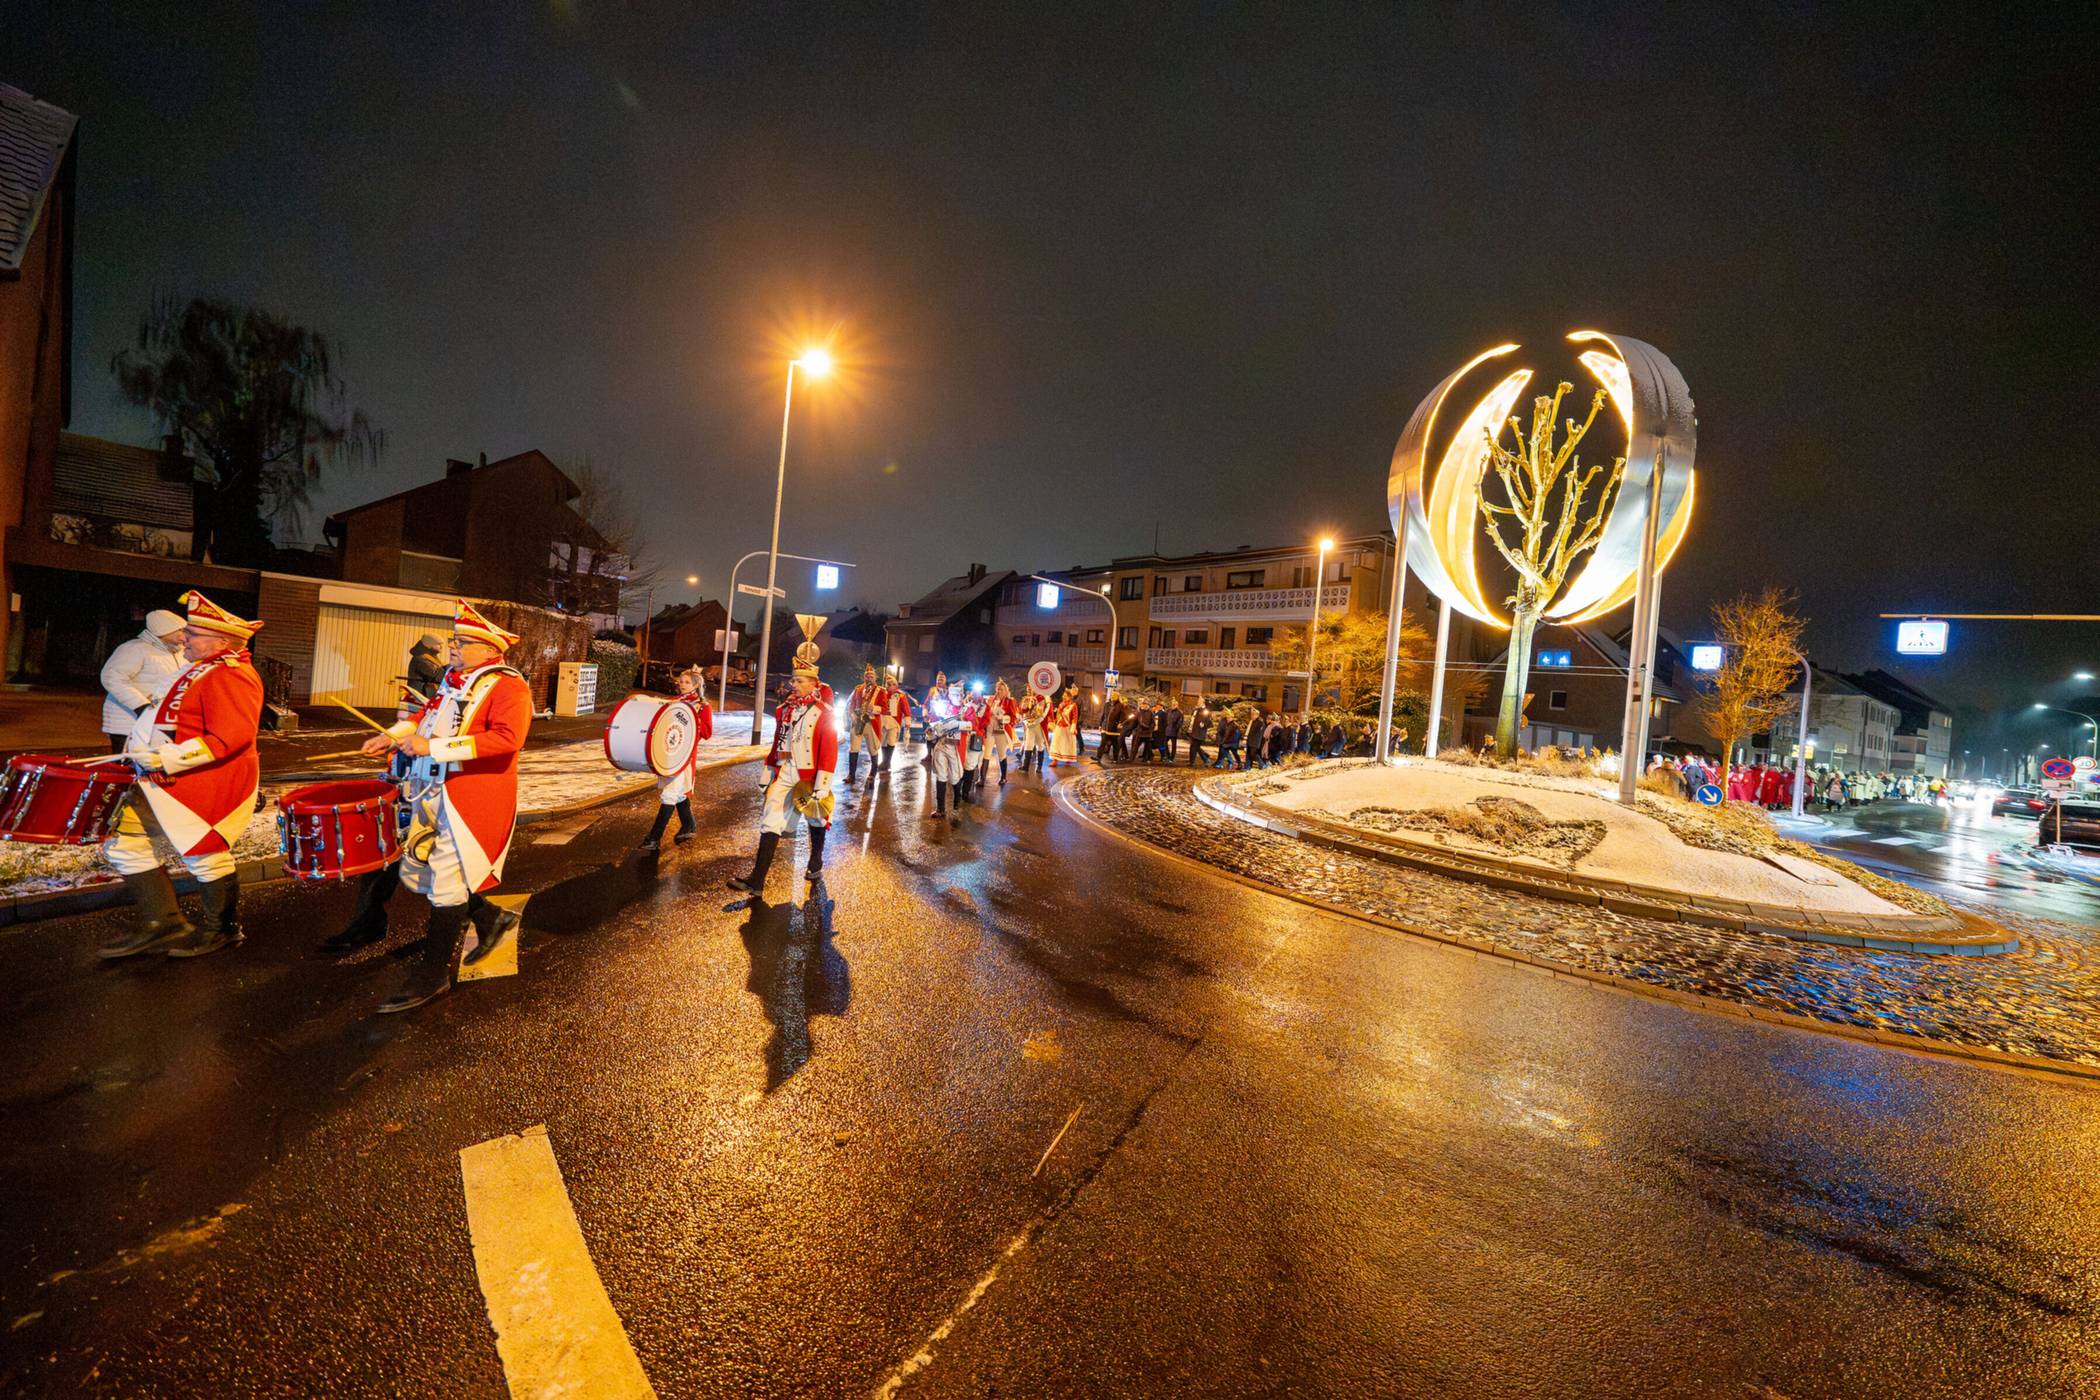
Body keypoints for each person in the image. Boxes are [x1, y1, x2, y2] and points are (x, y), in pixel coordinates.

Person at [341, 600, 532, 1012]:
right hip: (434, 790)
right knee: (425, 874)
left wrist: (436, 748)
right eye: (454, 640)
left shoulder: (507, 686)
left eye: (462, 641)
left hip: (472, 798)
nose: (453, 647)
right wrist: (393, 736)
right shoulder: (454, 679)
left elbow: (506, 740)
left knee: (446, 881)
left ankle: (432, 977)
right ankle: (491, 919)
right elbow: (425, 717)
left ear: (489, 650)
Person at [97, 592, 265, 961]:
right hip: (160, 779)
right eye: (187, 631)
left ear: (222, 642)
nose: (184, 637)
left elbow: (230, 737)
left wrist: (167, 757)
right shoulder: (198, 667)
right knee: (125, 845)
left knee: (205, 855)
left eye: (194, 633)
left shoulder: (232, 674)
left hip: (199, 781)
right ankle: (162, 922)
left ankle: (221, 929)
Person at [729, 646, 838, 891]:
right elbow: (777, 742)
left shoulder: (823, 713)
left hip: (808, 774)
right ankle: (757, 880)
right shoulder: (786, 709)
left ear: (813, 684)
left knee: (816, 818)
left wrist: (822, 785)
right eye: (793, 680)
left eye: (799, 681)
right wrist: (768, 771)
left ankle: (816, 860)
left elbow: (829, 749)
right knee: (771, 818)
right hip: (785, 769)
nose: (793, 685)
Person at [639, 667, 715, 850]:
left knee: (669, 794)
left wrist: (692, 718)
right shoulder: (675, 702)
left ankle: (654, 838)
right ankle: (689, 825)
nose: (682, 685)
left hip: (685, 757)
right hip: (669, 752)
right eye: (681, 682)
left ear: (696, 685)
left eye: (687, 682)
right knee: (677, 792)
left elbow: (707, 732)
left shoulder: (702, 706)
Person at [99, 609, 188, 754]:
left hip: (156, 720)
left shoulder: (180, 653)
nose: (184, 636)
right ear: (162, 631)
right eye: (178, 631)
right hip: (127, 720)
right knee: (128, 764)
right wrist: (141, 706)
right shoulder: (135, 649)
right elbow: (113, 678)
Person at [922, 681, 967, 819]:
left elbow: (972, 725)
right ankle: (940, 809)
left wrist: (960, 723)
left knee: (955, 776)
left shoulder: (965, 709)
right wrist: (932, 728)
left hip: (955, 747)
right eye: (952, 693)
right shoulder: (943, 706)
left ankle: (956, 803)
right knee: (941, 775)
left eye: (957, 693)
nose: (954, 696)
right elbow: (934, 722)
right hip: (941, 744)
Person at [845, 664, 885, 786]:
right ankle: (851, 775)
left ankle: (873, 773)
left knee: (872, 749)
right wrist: (852, 716)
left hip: (871, 723)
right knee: (853, 748)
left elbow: (884, 709)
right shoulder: (858, 689)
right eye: (867, 676)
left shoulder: (881, 691)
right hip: (858, 721)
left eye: (871, 676)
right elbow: (852, 705)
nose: (868, 678)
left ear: (875, 678)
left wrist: (874, 708)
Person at [401, 632, 447, 719]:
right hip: (420, 697)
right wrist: (451, 667)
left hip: (425, 696)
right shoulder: (420, 659)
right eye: (438, 644)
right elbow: (436, 676)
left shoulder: (430, 658)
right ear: (429, 645)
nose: (441, 647)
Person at [984, 678, 1021, 785]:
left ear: (1006, 690)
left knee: (1001, 754)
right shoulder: (992, 700)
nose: (999, 691)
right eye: (998, 689)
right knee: (986, 754)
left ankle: (1003, 777)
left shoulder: (1010, 701)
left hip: (1001, 731)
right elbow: (986, 713)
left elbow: (1014, 718)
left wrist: (1003, 718)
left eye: (1002, 689)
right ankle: (982, 778)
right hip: (990, 730)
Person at [1017, 685, 1051, 776]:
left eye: (1030, 688)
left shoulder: (1044, 697)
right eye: (1027, 689)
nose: (1029, 690)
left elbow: (1048, 709)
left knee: (1040, 744)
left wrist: (1042, 718)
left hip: (1039, 724)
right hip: (1030, 724)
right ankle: (1026, 766)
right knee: (1028, 743)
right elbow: (1022, 711)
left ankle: (1039, 766)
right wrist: (1024, 720)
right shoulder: (1026, 699)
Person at [1048, 683, 1082, 768]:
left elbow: (1075, 717)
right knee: (1056, 742)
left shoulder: (1073, 706)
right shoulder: (1061, 704)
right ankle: (1055, 760)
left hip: (1068, 727)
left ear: (1069, 697)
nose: (1063, 696)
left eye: (1065, 695)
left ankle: (1067, 759)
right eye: (1063, 695)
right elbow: (1058, 716)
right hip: (1059, 726)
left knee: (1067, 743)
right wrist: (1054, 723)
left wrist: (1073, 726)